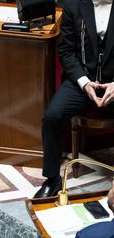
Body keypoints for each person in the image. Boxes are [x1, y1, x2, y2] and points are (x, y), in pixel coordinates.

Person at [34, 0, 114, 198]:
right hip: (82, 80)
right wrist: (85, 83)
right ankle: (52, 180)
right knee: (51, 116)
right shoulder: (74, 5)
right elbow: (67, 52)